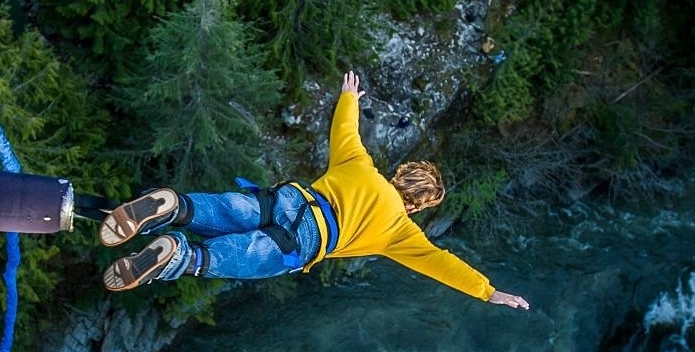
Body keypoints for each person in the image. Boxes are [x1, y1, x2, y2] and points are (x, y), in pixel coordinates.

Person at [98, 71, 530, 310]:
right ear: (417, 206)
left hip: (290, 199)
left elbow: (346, 130)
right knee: (225, 258)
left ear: (400, 175)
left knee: (230, 209)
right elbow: (441, 264)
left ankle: (174, 205)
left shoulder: (360, 165)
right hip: (305, 241)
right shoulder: (401, 232)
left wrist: (350, 97)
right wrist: (488, 291)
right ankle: (178, 254)